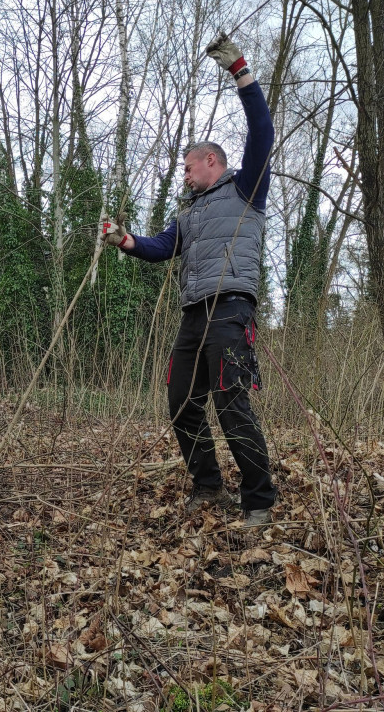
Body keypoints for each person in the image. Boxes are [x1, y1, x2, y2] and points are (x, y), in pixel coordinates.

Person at [101, 32, 276, 527]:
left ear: (211, 162)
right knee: (182, 404)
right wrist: (124, 239)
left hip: (231, 311)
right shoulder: (191, 213)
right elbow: (161, 248)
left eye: (188, 166)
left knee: (231, 405)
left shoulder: (246, 189)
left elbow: (262, 131)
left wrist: (239, 69)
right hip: (194, 317)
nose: (183, 174)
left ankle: (259, 499)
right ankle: (208, 486)